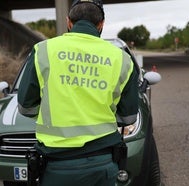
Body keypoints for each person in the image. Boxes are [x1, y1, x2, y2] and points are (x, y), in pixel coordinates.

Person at [18, 0, 139, 185]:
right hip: (103, 163)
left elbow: (26, 108)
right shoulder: (121, 59)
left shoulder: (43, 51)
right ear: (101, 24)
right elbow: (129, 118)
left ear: (68, 22)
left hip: (57, 165)